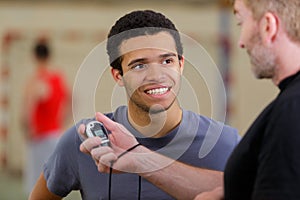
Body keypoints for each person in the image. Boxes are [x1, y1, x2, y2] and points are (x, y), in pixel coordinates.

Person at [82, 0, 300, 199]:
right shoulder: (287, 106)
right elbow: (240, 188)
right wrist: (139, 158)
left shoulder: (290, 111)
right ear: (118, 75)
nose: (241, 42)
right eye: (139, 65)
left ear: (268, 26)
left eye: (241, 23)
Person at [29, 10, 240, 199]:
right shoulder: (84, 142)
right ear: (118, 76)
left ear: (181, 64)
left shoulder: (226, 144)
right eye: (139, 65)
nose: (157, 76)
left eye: (167, 61)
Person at [22, 40, 70, 195]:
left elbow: (30, 104)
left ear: (35, 56)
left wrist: (27, 127)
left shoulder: (37, 80)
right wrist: (62, 121)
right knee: (51, 183)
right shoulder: (58, 78)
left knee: (36, 183)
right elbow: (70, 100)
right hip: (55, 134)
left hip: (40, 137)